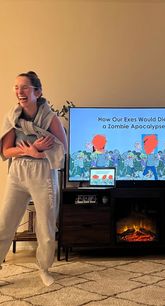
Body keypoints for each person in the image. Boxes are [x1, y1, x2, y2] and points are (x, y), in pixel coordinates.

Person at [0, 71, 67, 286]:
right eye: (16, 87)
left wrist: (40, 152)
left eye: (25, 87)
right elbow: (6, 151)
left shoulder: (50, 118)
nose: (19, 91)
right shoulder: (12, 116)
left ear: (37, 92)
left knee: (46, 227)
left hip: (43, 173)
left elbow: (62, 148)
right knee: (4, 224)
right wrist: (31, 150)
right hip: (17, 174)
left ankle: (44, 269)